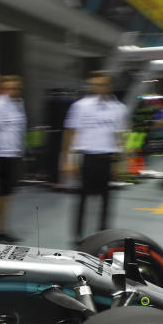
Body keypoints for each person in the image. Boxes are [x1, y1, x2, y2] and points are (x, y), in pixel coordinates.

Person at [59, 71, 128, 243]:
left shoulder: (119, 109)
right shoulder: (80, 106)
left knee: (106, 201)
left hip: (106, 158)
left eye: (102, 84)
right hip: (86, 158)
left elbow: (120, 136)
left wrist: (119, 163)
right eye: (94, 85)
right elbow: (70, 132)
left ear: (109, 86)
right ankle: (78, 236)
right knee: (82, 200)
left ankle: (103, 234)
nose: (97, 88)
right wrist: (68, 159)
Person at [0, 74, 26, 243]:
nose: (12, 91)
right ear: (2, 88)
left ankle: (2, 228)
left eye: (15, 88)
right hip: (0, 154)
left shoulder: (19, 104)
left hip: (13, 154)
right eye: (9, 88)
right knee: (1, 195)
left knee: (7, 195)